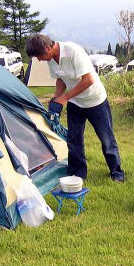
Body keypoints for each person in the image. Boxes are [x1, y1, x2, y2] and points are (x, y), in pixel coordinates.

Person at [25, 34, 125, 183]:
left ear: (47, 47)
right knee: (74, 140)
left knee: (106, 139)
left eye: (39, 55)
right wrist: (57, 96)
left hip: (95, 101)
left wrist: (65, 97)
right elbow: (60, 78)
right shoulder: (51, 59)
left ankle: (117, 173)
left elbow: (88, 80)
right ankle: (77, 174)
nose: (39, 59)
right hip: (75, 103)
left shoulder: (73, 51)